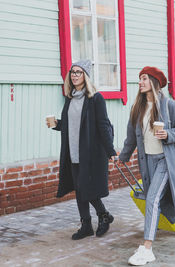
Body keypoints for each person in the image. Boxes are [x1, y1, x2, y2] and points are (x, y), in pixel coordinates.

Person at [116, 66, 175, 265]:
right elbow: (131, 138)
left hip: (165, 160)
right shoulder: (137, 108)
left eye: (144, 78)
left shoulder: (169, 106)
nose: (140, 82)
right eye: (139, 79)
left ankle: (147, 248)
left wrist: (167, 134)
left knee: (151, 199)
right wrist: (122, 157)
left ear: (154, 82)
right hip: (147, 162)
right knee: (161, 200)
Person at [47, 59, 117, 240]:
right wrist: (56, 124)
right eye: (72, 72)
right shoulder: (70, 98)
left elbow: (103, 125)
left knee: (87, 187)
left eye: (79, 72)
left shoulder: (95, 98)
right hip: (73, 152)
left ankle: (103, 216)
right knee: (79, 188)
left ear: (85, 76)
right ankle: (86, 224)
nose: (75, 75)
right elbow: (71, 126)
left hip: (91, 152)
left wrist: (111, 151)